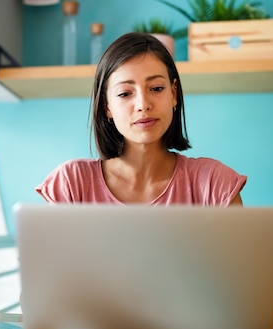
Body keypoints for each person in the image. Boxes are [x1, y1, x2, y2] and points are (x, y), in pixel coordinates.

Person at [36, 32, 246, 206]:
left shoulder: (215, 184)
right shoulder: (71, 185)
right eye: (125, 93)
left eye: (156, 88)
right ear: (106, 106)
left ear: (173, 94)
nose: (143, 104)